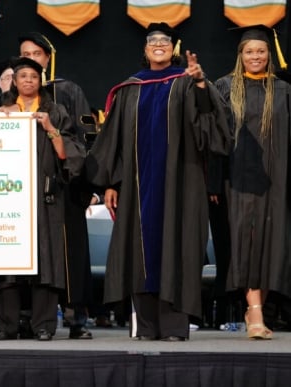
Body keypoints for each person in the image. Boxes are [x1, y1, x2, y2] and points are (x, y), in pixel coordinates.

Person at [85, 22, 232, 341]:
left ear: (174, 48)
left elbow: (213, 132)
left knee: (178, 247)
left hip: (181, 184)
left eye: (165, 40)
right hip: (138, 188)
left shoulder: (187, 82)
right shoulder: (129, 89)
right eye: (153, 40)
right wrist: (111, 182)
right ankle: (147, 326)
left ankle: (175, 327)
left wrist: (202, 85)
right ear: (145, 48)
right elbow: (116, 141)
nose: (159, 44)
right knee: (140, 253)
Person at [0, 57, 86, 341]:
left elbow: (69, 155)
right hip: (9, 198)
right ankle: (6, 326)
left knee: (47, 261)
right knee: (8, 265)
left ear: (40, 80)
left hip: (46, 196)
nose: (29, 81)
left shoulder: (55, 111)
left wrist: (50, 129)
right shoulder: (2, 110)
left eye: (34, 76)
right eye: (23, 77)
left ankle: (43, 325)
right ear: (14, 81)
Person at [214, 25, 291, 339]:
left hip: (278, 180)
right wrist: (214, 182)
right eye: (249, 51)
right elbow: (214, 138)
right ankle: (254, 308)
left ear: (268, 55)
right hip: (239, 179)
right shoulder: (224, 87)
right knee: (245, 240)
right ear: (240, 55)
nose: (255, 56)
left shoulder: (284, 90)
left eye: (260, 51)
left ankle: (261, 306)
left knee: (273, 243)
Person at [18, 31, 95, 340]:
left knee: (69, 255)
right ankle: (27, 318)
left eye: (37, 54)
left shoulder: (68, 91)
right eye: (26, 54)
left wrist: (81, 178)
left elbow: (87, 136)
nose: (31, 59)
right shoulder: (11, 94)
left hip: (64, 188)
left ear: (47, 59)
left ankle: (76, 317)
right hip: (24, 193)